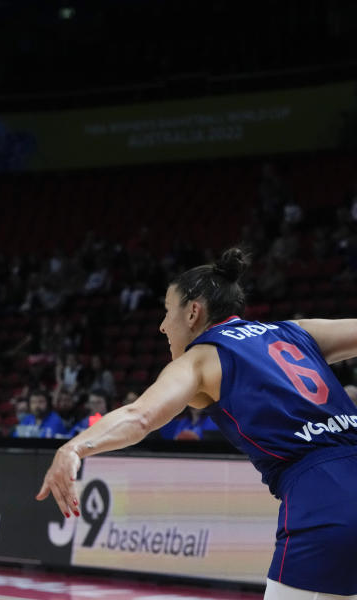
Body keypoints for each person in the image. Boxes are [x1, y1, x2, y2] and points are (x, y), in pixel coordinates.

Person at [38, 248, 357, 599]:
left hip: (325, 500)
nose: (162, 325)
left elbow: (140, 416)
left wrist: (74, 447)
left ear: (192, 311)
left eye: (166, 310)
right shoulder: (292, 331)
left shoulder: (203, 358)